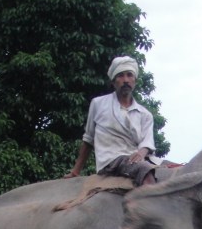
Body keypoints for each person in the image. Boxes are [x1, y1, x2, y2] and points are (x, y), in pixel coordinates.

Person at [65, 56, 161, 187]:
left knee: (175, 170)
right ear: (113, 81)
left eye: (129, 75)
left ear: (135, 80)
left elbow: (147, 143)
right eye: (120, 76)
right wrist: (75, 171)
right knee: (146, 173)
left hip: (137, 158)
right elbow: (88, 139)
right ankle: (147, 206)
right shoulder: (98, 104)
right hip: (112, 160)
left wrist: (141, 153)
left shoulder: (145, 114)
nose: (125, 80)